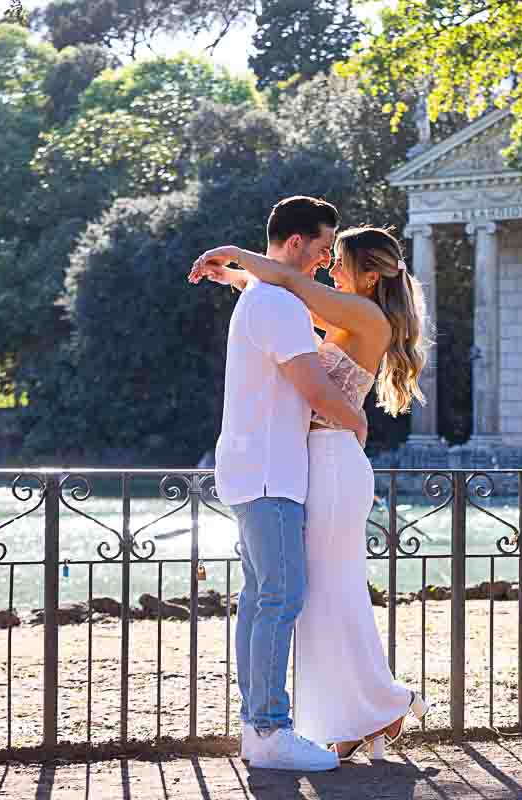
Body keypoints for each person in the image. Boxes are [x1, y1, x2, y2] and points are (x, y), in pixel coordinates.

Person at [190, 224, 430, 761]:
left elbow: (287, 282)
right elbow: (278, 298)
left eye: (339, 261)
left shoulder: (366, 317)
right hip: (316, 463)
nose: (331, 268)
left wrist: (233, 252)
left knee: (330, 592)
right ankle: (356, 718)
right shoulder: (349, 314)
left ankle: (383, 703)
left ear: (370, 276)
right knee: (321, 597)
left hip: (335, 462)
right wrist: (233, 276)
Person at [204, 196, 368, 772]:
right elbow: (316, 390)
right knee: (279, 599)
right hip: (271, 473)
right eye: (324, 249)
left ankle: (258, 726)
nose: (326, 262)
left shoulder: (263, 298)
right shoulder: (277, 303)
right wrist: (358, 420)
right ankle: (271, 730)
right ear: (295, 243)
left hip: (253, 468)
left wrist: (233, 273)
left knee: (260, 600)